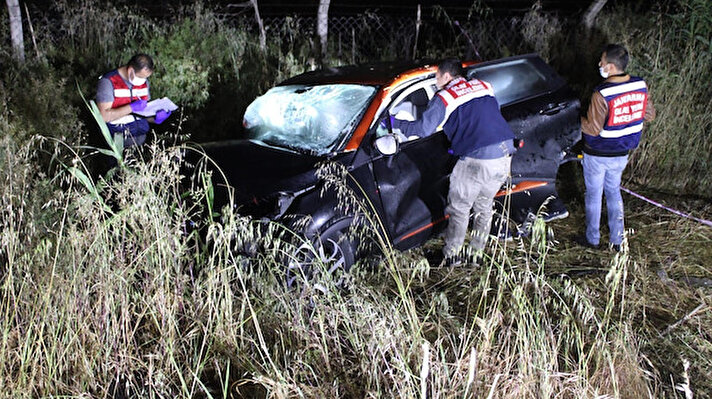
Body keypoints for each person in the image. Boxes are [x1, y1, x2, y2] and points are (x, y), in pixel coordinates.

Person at [385, 58, 515, 265]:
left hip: (477, 159)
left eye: (436, 76)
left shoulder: (444, 97)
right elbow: (484, 115)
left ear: (446, 76)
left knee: (460, 208)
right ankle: (476, 255)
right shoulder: (484, 85)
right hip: (504, 153)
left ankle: (451, 256)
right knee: (484, 207)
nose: (435, 80)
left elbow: (422, 129)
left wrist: (392, 122)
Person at [576, 44, 655, 251]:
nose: (599, 64)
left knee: (594, 195)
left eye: (602, 61)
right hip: (622, 153)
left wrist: (576, 120)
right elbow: (649, 115)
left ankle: (592, 238)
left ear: (610, 67)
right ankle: (617, 240)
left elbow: (593, 129)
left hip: (598, 153)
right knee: (613, 192)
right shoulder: (640, 85)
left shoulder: (601, 93)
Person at [95, 53, 171, 148]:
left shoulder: (144, 83)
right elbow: (103, 117)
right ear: (131, 70)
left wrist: (155, 119)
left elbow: (143, 114)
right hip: (117, 142)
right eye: (141, 77)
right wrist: (131, 107)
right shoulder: (108, 82)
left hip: (141, 141)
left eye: (146, 77)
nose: (143, 81)